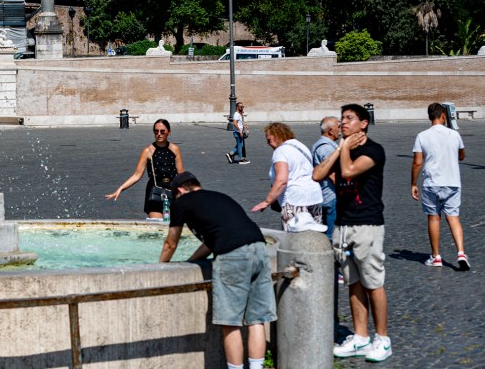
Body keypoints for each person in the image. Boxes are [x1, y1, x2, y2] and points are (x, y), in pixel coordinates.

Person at [159, 172, 276, 369]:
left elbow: (171, 243)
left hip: (233, 256)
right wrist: (191, 261)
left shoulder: (182, 202)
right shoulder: (220, 196)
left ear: (179, 190)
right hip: (259, 248)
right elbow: (213, 241)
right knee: (257, 319)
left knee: (230, 322)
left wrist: (160, 267)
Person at [312, 104, 391, 362]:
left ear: (364, 123)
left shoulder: (373, 150)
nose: (342, 122)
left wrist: (344, 149)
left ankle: (382, 338)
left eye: (349, 118)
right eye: (342, 118)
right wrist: (341, 148)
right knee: (353, 283)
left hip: (366, 224)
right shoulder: (342, 149)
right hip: (343, 226)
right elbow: (318, 174)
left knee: (373, 283)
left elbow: (348, 172)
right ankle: (360, 337)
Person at [411, 102, 469, 270]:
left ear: (429, 117)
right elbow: (462, 156)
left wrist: (413, 183)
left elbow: (417, 162)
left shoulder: (422, 136)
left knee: (434, 218)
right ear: (443, 116)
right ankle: (460, 252)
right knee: (453, 217)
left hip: (432, 183)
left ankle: (436, 256)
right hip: (452, 182)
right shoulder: (454, 134)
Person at [105, 119, 183, 219]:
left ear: (169, 132)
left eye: (162, 131)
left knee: (173, 227)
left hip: (172, 192)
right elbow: (137, 175)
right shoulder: (147, 151)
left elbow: (181, 175)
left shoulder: (175, 149)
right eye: (156, 131)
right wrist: (120, 189)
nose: (159, 134)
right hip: (155, 193)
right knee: (157, 228)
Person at [250, 122, 322, 229]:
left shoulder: (280, 151)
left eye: (269, 139)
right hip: (314, 197)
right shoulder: (300, 145)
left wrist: (267, 201)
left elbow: (282, 180)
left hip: (295, 200)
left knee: (293, 239)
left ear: (276, 136)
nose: (267, 143)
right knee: (313, 235)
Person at [311, 116, 340, 237]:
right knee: (331, 236)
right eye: (338, 127)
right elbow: (333, 175)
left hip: (324, 195)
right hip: (331, 196)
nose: (341, 130)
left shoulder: (318, 145)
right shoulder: (327, 148)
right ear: (330, 130)